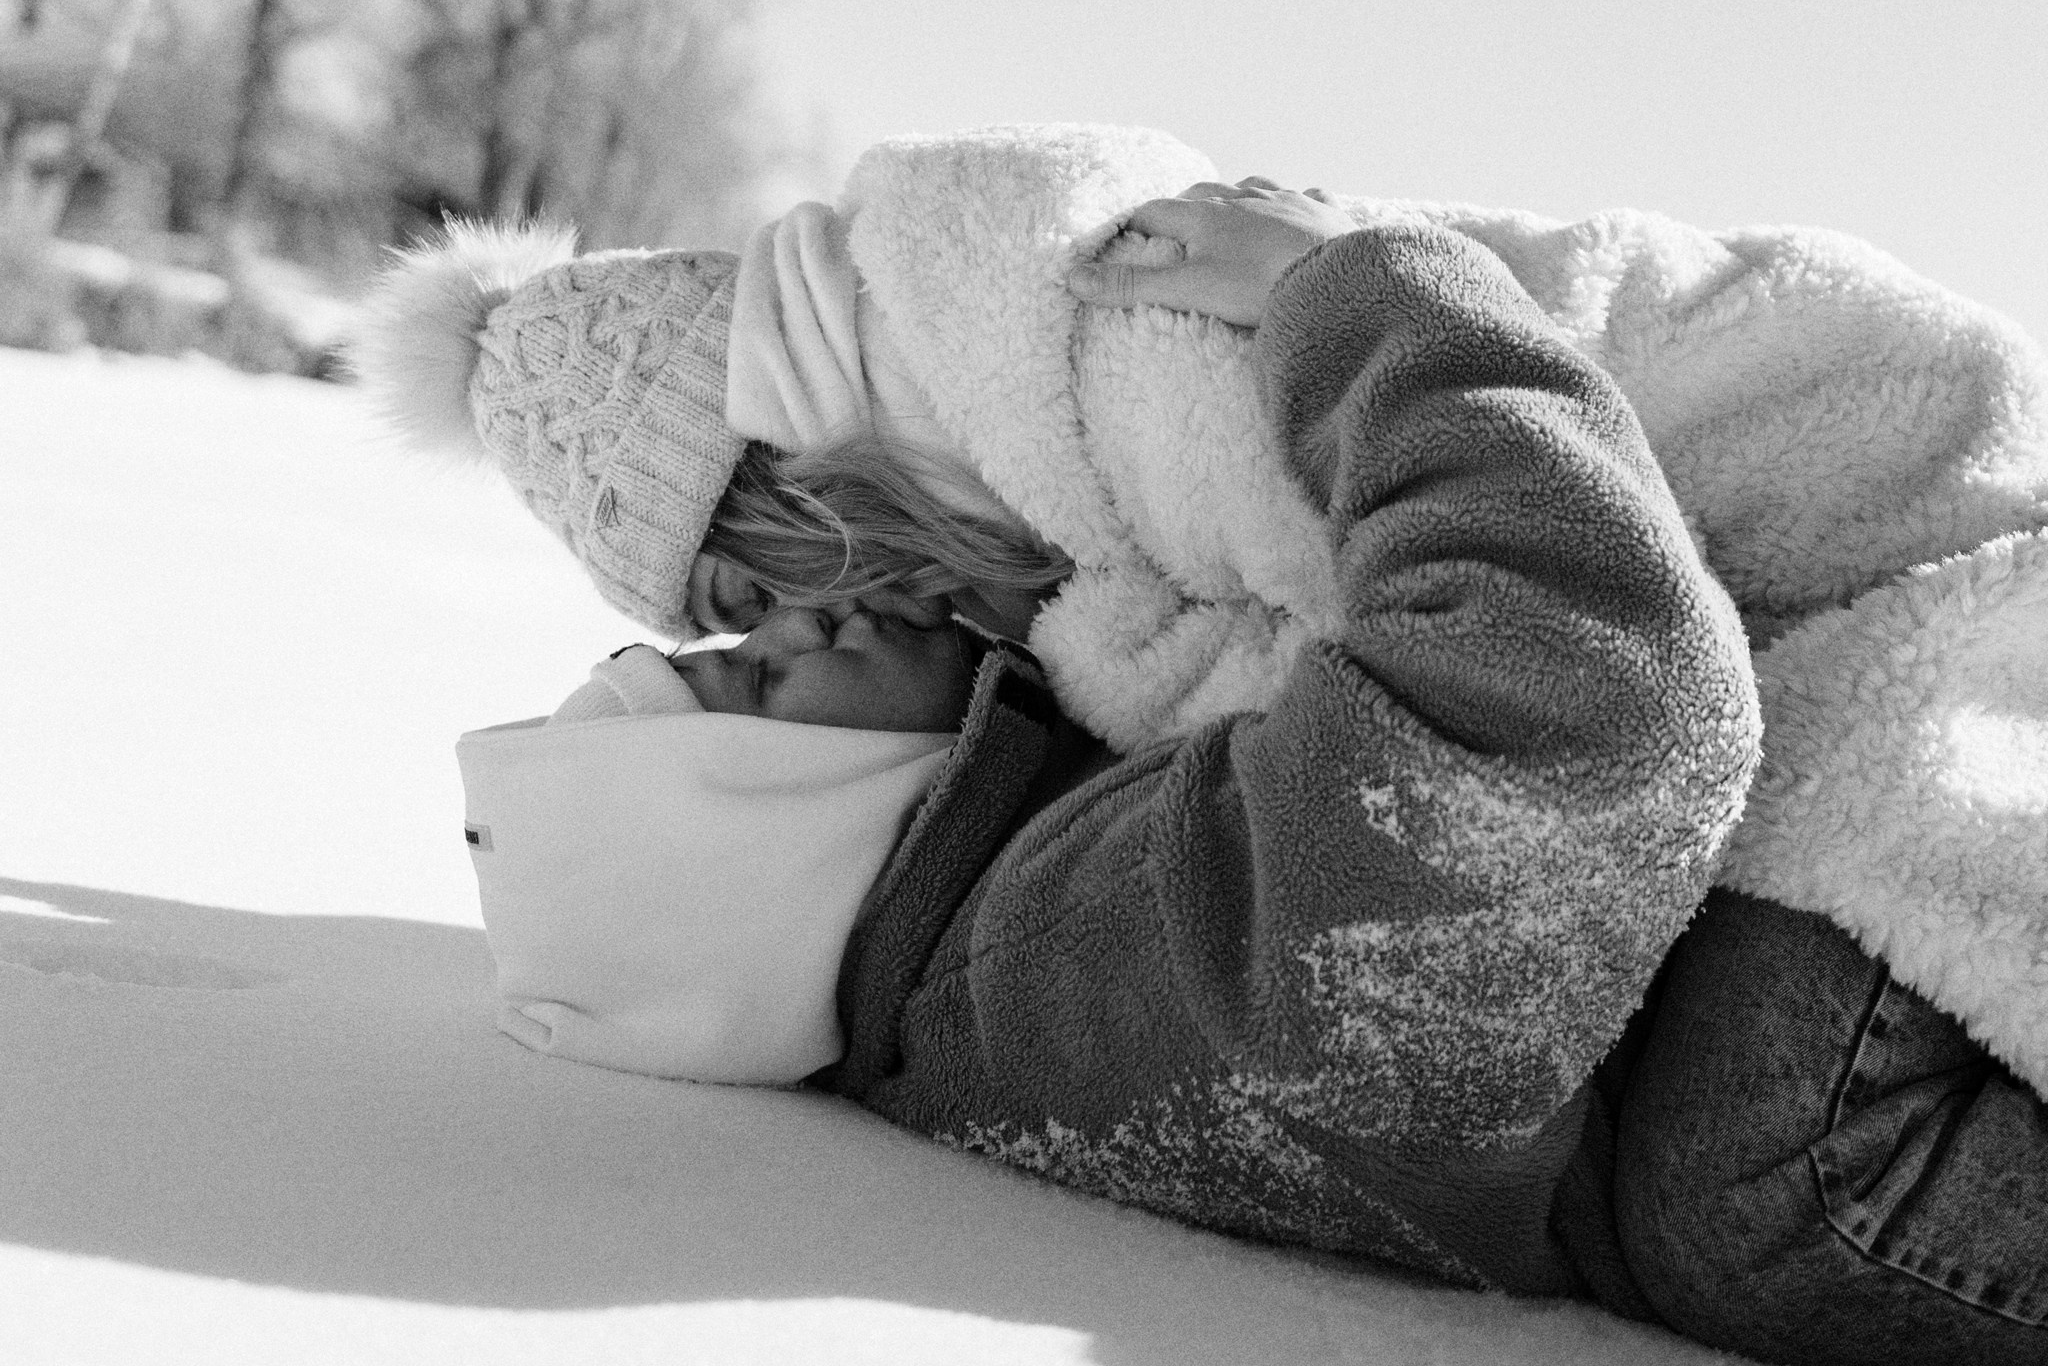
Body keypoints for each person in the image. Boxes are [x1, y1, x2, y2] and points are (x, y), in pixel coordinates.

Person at [454, 190, 2044, 1364]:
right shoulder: (1068, 958)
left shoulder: (997, 936)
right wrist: (1365, 303)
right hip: (1813, 1118)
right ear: (766, 836)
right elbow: (1583, 704)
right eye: (755, 671)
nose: (810, 620)